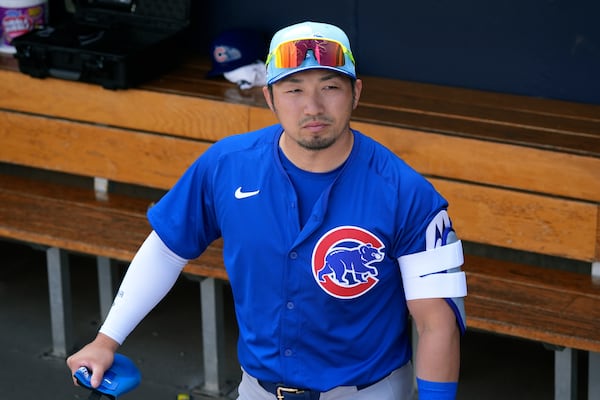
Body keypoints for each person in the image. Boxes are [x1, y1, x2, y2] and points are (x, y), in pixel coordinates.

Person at [67, 21, 467, 400]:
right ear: (269, 97)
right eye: (293, 89)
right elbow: (166, 249)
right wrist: (106, 340)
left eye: (330, 86)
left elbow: (437, 323)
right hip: (258, 390)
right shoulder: (226, 165)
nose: (313, 106)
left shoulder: (408, 192)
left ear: (356, 93)